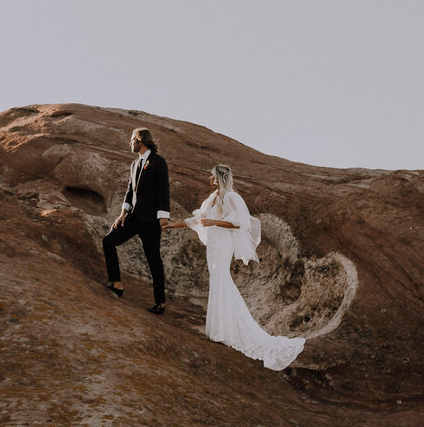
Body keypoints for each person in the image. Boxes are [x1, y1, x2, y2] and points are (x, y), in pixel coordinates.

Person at [166, 165, 305, 370]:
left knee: (222, 279)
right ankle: (219, 329)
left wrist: (215, 221)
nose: (209, 178)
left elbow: (240, 223)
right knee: (218, 280)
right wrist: (173, 225)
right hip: (213, 244)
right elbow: (197, 219)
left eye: (212, 175)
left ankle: (225, 331)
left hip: (223, 244)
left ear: (220, 177)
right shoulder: (213, 197)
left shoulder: (232, 197)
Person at [102, 127, 171, 314]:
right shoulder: (134, 165)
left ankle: (160, 303)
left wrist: (163, 217)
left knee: (153, 260)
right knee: (108, 241)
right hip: (133, 217)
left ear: (141, 140)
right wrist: (123, 213)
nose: (130, 142)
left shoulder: (158, 162)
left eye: (132, 139)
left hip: (151, 221)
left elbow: (164, 190)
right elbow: (129, 191)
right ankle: (116, 283)